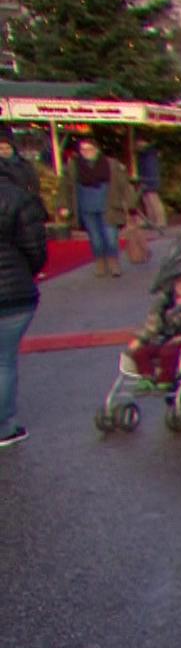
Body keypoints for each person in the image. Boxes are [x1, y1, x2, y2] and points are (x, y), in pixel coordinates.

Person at [0, 168, 47, 447]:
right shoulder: (18, 197)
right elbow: (36, 247)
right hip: (13, 292)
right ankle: (4, 427)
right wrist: (27, 271)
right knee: (4, 361)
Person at [57, 137, 136, 277]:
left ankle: (113, 262)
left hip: (109, 206)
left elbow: (124, 185)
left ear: (97, 150)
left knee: (111, 238)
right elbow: (65, 187)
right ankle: (100, 262)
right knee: (96, 239)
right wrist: (63, 206)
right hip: (86, 207)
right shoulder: (73, 165)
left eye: (89, 149)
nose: (86, 152)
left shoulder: (111, 164)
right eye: (83, 150)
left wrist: (131, 204)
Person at [125, 275, 181, 384]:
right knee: (141, 352)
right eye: (179, 297)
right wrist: (141, 339)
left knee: (167, 353)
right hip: (166, 340)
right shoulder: (170, 312)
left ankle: (165, 380)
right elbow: (156, 324)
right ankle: (147, 376)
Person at [134, 136, 167, 228]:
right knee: (148, 202)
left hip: (149, 180)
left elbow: (150, 169)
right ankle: (153, 221)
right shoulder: (144, 154)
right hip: (146, 180)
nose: (137, 145)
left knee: (153, 201)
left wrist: (147, 180)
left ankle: (160, 221)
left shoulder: (148, 154)